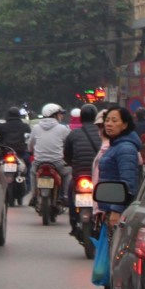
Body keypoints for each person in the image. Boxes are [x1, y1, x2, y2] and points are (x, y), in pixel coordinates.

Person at [96, 105, 141, 289]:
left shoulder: (125, 148)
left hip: (119, 210)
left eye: (114, 120)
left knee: (118, 256)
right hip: (111, 208)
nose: (109, 124)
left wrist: (115, 209)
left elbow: (127, 182)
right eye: (107, 120)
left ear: (125, 124)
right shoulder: (116, 145)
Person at [63, 102, 102, 237]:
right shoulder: (101, 133)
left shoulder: (73, 134)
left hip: (79, 175)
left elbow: (67, 155)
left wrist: (72, 164)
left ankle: (74, 223)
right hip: (98, 176)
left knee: (70, 193)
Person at [28, 103, 71, 210]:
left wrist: (31, 151)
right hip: (57, 162)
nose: (61, 116)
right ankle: (65, 196)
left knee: (33, 173)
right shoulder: (63, 129)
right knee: (68, 173)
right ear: (54, 115)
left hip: (39, 162)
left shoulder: (36, 128)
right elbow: (69, 144)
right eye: (60, 114)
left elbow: (30, 145)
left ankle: (33, 196)